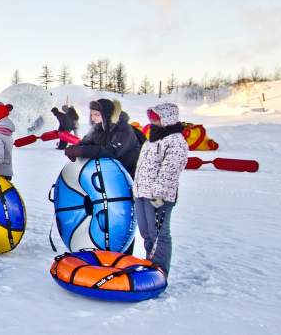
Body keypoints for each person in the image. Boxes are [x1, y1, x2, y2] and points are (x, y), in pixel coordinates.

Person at [133, 103, 188, 276]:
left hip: (158, 197)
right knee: (146, 232)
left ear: (167, 118)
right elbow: (141, 166)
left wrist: (159, 193)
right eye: (152, 118)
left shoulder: (176, 141)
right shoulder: (152, 139)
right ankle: (150, 263)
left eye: (156, 118)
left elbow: (170, 169)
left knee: (158, 235)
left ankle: (160, 270)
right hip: (142, 193)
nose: (153, 121)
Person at [64, 99, 141, 177]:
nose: (93, 118)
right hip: (110, 171)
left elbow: (112, 151)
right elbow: (88, 141)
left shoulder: (123, 129)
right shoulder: (99, 127)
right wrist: (75, 148)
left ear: (106, 114)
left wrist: (82, 151)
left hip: (129, 174)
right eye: (91, 115)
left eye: (96, 114)